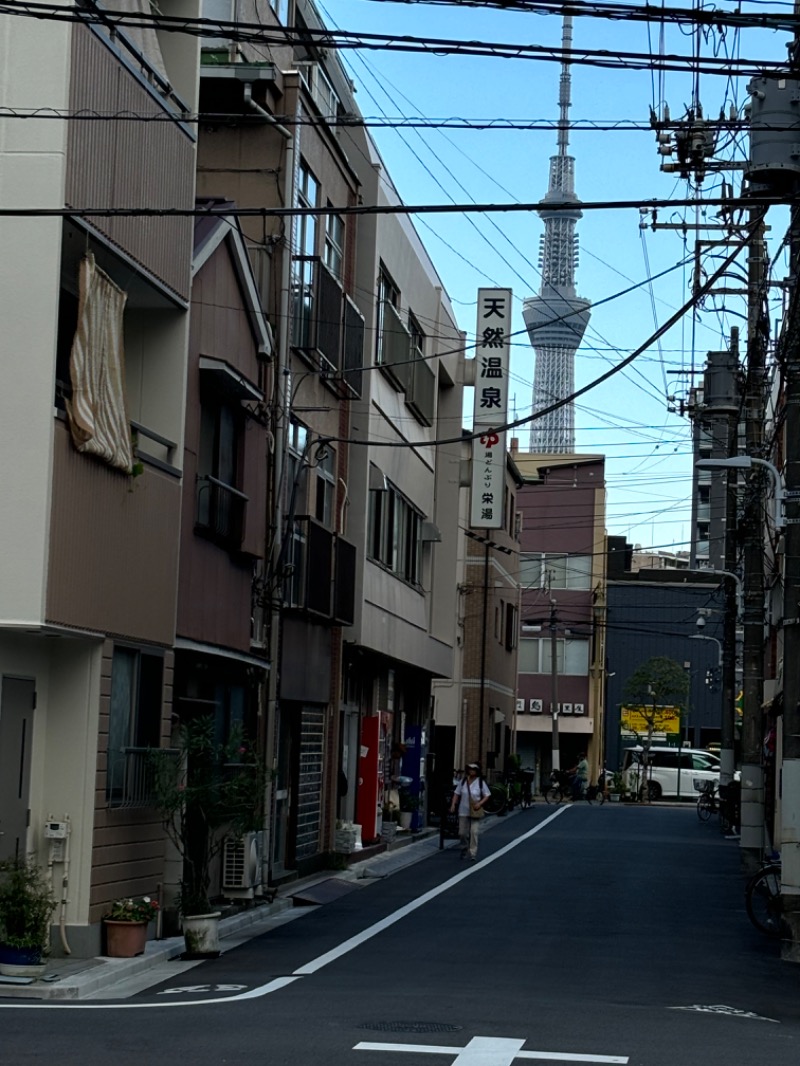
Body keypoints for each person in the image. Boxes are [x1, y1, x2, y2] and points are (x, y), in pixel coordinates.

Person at [450, 762, 490, 861]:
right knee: (462, 833)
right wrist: (453, 804)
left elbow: (487, 795)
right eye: (470, 769)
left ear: (477, 771)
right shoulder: (463, 781)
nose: (471, 771)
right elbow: (456, 793)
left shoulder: (480, 782)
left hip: (475, 811)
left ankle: (473, 852)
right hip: (463, 810)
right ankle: (464, 847)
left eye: (474, 769)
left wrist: (479, 803)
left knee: (474, 831)